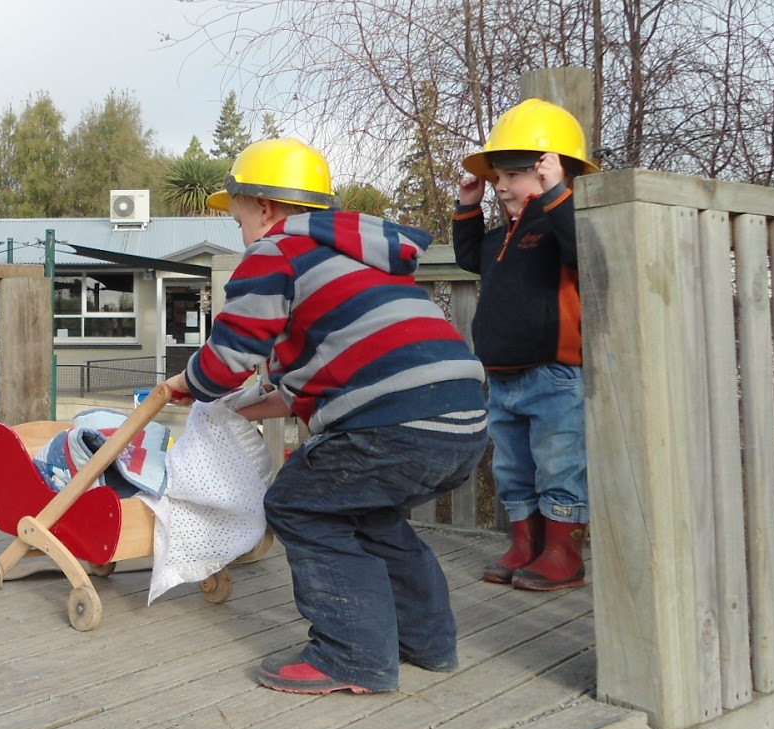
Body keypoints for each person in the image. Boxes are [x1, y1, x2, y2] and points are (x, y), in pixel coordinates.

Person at [164, 138, 489, 695]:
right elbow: (326, 374)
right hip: (460, 417)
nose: (241, 235)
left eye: (238, 219)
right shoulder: (363, 261)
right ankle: (428, 640)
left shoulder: (275, 252)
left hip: (393, 421)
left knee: (298, 505)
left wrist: (190, 383)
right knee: (370, 514)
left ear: (264, 208)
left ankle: (351, 655)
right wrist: (240, 405)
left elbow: (233, 352)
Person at [452, 98, 600, 591]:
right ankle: (526, 544)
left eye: (511, 174)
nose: (499, 185)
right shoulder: (503, 237)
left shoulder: (561, 228)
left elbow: (583, 249)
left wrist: (558, 193)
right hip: (503, 374)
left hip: (554, 373)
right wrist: (467, 207)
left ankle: (563, 553)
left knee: (559, 461)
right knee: (513, 464)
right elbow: (472, 257)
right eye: (496, 175)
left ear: (547, 171)